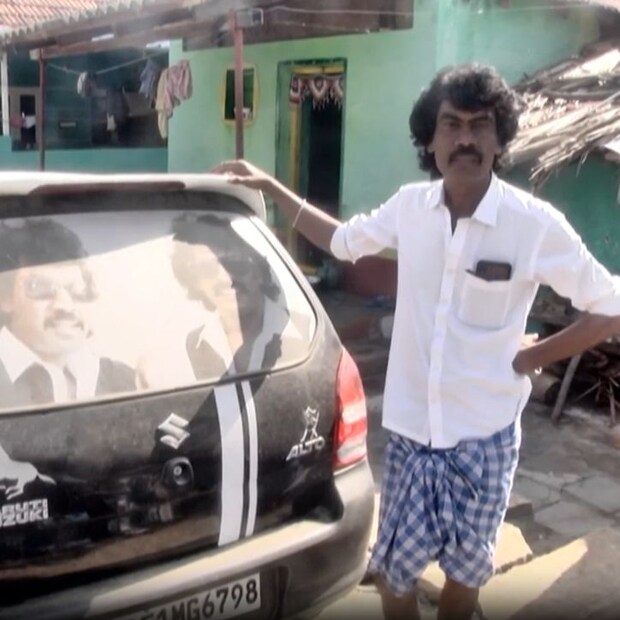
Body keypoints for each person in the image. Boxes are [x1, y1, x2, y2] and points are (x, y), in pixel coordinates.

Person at [213, 63, 620, 620]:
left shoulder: (533, 225)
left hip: (484, 437)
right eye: (451, 124)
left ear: (500, 138)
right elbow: (343, 241)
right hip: (410, 435)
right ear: (430, 139)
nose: (465, 138)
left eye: (480, 125)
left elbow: (610, 305)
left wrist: (531, 357)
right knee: (393, 576)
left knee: (466, 575)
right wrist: (270, 187)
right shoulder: (409, 208)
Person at [151, 213, 305, 384]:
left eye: (234, 263)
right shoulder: (187, 349)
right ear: (194, 282)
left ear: (259, 270)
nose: (225, 278)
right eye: (207, 269)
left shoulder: (308, 334)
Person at [0, 218, 136, 408]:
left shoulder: (127, 382)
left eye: (77, 289)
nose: (65, 306)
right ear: (5, 297)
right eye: (41, 288)